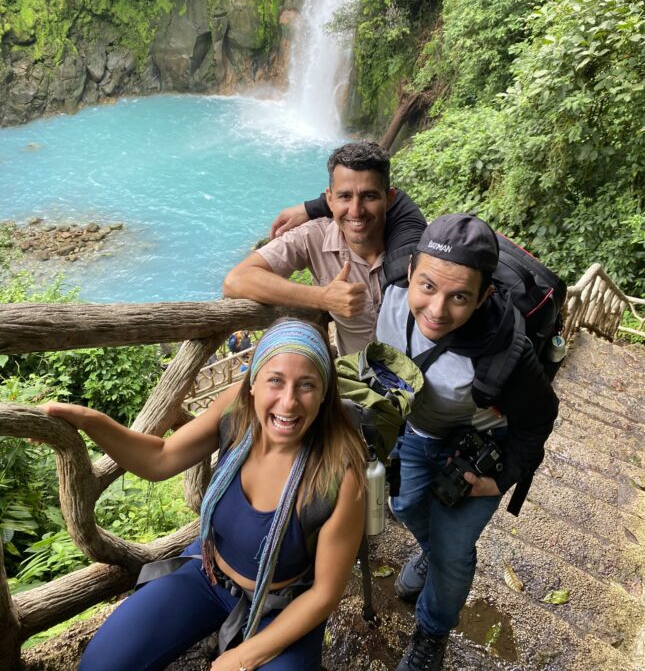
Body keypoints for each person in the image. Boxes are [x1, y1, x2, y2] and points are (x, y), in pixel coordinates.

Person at [40, 319, 366, 671]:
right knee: (102, 665)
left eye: (306, 385)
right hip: (209, 575)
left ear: (324, 393)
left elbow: (324, 594)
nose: (288, 402)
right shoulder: (236, 414)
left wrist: (242, 657)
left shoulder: (339, 474)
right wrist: (89, 420)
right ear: (252, 383)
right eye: (275, 380)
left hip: (283, 604)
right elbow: (159, 459)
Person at [376, 214, 559, 671]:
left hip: (479, 446)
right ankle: (432, 551)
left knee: (454, 557)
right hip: (417, 430)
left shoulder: (504, 351)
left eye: (460, 296)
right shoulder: (392, 287)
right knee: (404, 506)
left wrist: (501, 479)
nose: (438, 310)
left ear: (484, 298)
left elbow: (539, 417)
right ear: (410, 269)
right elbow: (383, 198)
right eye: (428, 287)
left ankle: (431, 633)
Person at [224, 142, 426, 356]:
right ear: (330, 199)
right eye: (344, 196)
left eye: (369, 196)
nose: (355, 211)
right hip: (356, 380)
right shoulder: (313, 236)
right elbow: (236, 280)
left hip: (419, 378)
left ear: (389, 199)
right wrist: (322, 297)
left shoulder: (415, 244)